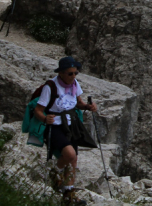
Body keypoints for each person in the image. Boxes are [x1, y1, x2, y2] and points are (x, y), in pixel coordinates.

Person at [34, 57, 98, 206]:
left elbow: (79, 103)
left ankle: (69, 195)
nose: (73, 76)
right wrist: (44, 119)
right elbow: (38, 110)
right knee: (70, 154)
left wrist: (88, 107)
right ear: (61, 73)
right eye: (70, 73)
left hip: (71, 125)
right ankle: (55, 172)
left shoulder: (74, 84)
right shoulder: (50, 87)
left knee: (73, 160)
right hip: (54, 126)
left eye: (75, 73)